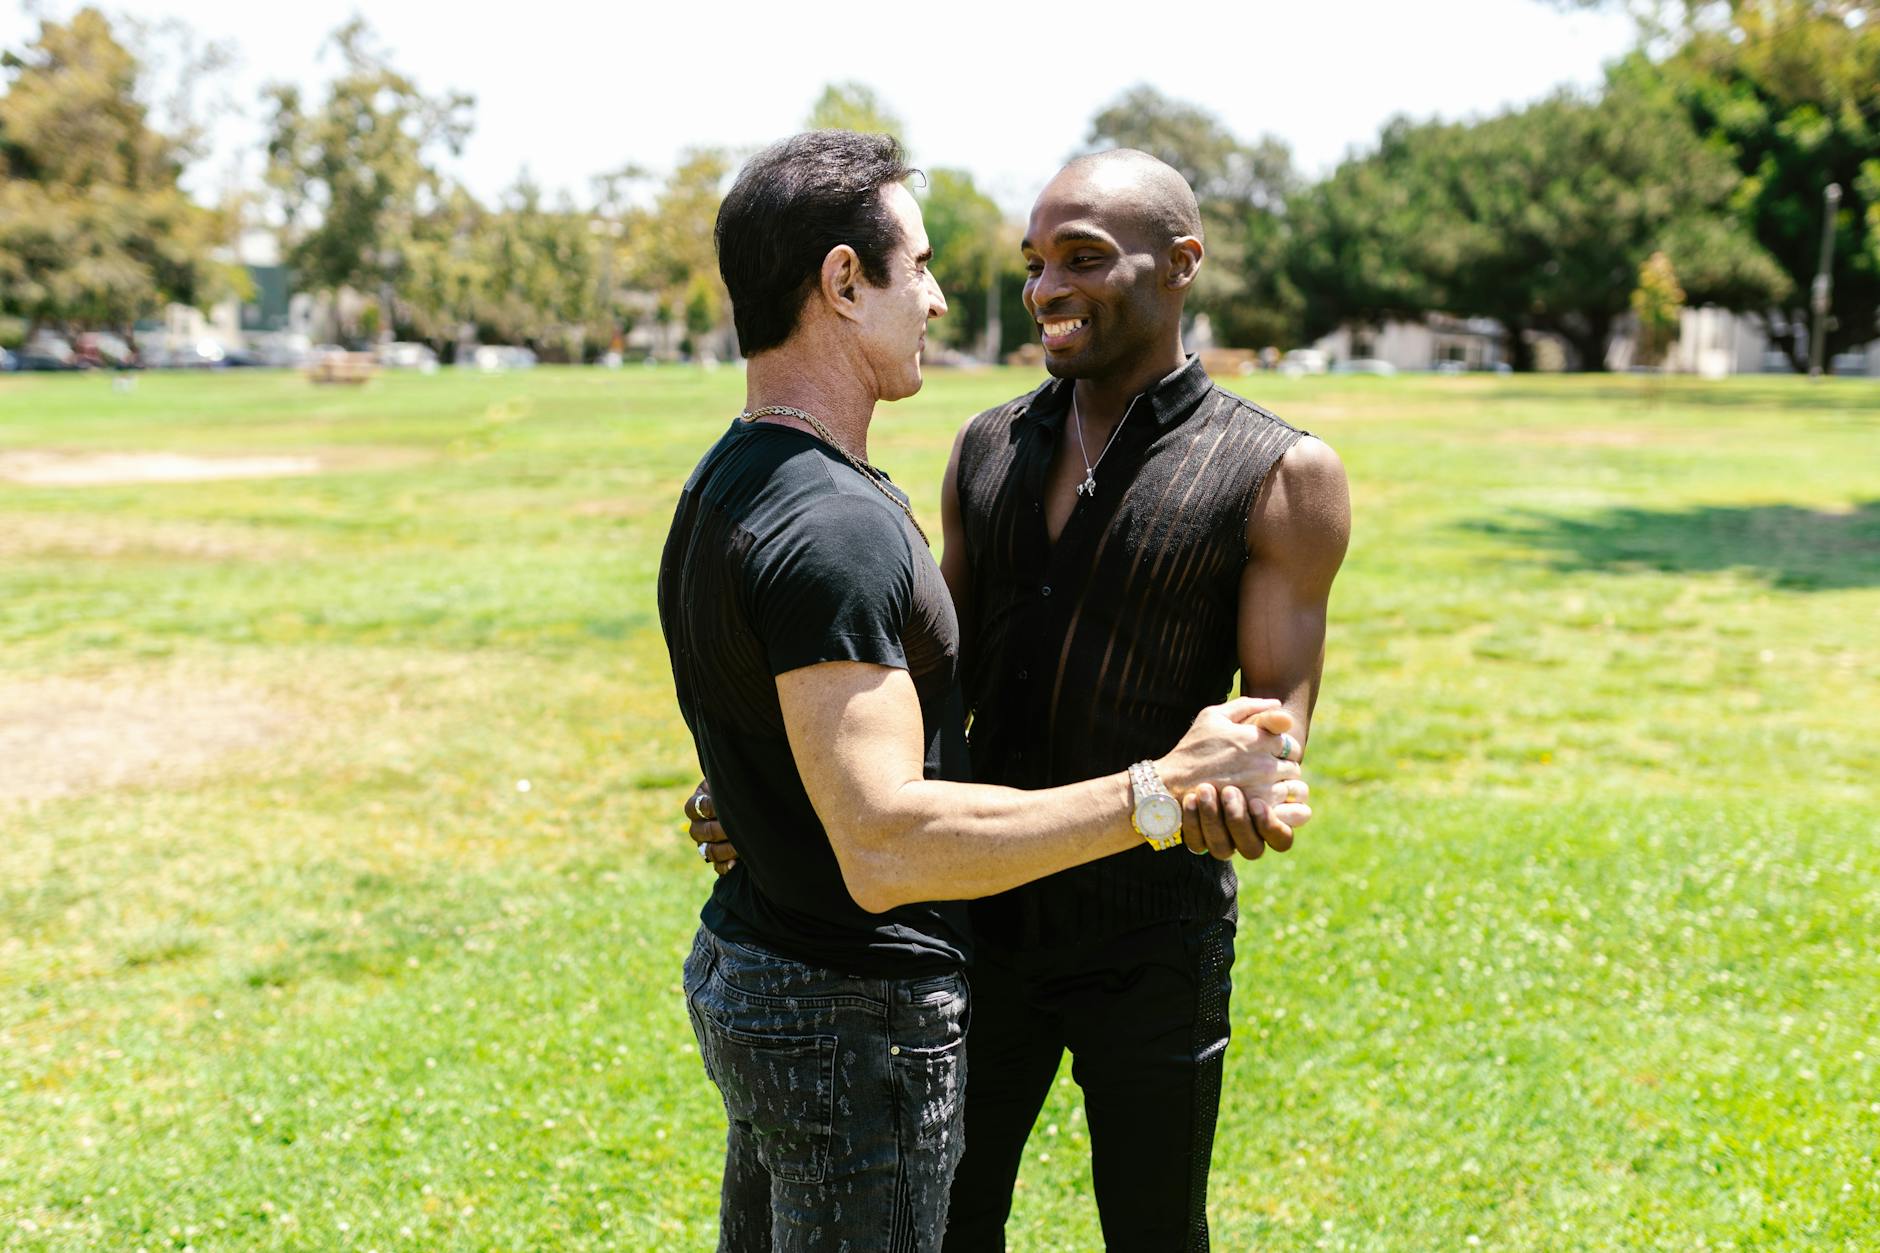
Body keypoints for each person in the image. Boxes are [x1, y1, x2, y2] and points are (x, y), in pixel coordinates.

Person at [659, 132, 1310, 1252]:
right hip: (967, 921)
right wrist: (788, 789)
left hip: (1147, 936)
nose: (1033, 288)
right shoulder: (975, 451)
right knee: (948, 1225)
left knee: (1157, 1231)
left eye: (1080, 256)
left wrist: (1246, 784)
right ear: (843, 281)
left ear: (1181, 264)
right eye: (1032, 260)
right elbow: (907, 698)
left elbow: (1265, 739)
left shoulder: (1275, 470)